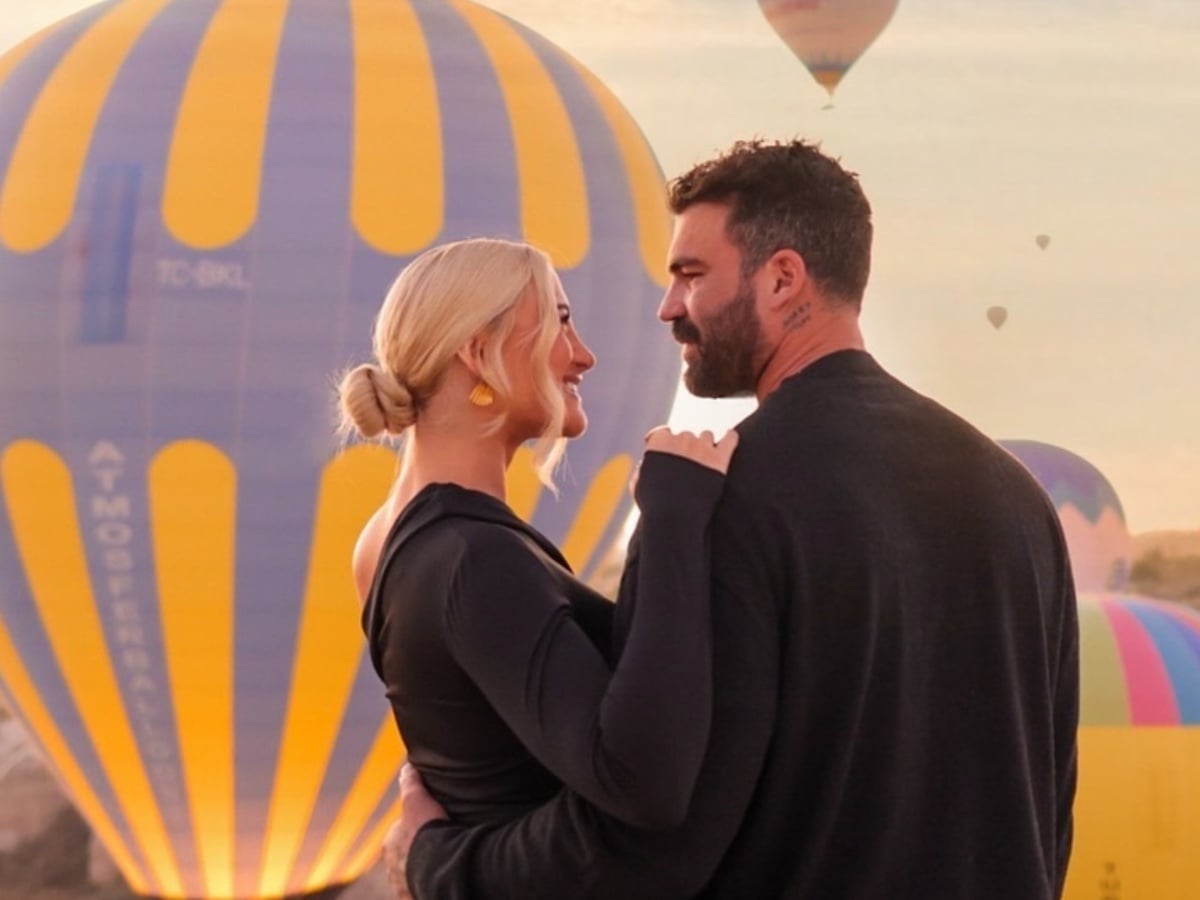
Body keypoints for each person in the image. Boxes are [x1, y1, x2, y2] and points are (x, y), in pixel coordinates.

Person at [387, 140, 1080, 899]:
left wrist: (439, 863)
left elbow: (647, 846)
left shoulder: (711, 500)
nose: (668, 308)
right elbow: (1048, 813)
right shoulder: (1018, 501)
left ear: (782, 279)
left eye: (691, 275)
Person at [338, 238, 739, 866]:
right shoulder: (476, 557)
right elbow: (641, 781)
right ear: (479, 352)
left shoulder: (383, 541)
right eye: (560, 321)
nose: (583, 355)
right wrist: (674, 519)